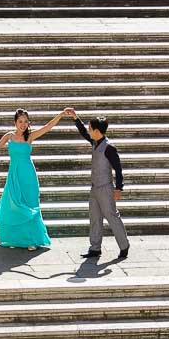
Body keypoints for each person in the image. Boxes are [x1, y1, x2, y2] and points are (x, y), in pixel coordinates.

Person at [0, 108, 69, 250]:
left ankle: (32, 241)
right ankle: (14, 239)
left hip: (28, 176)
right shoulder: (9, 136)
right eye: (20, 121)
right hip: (14, 175)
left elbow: (48, 127)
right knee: (13, 204)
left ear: (29, 123)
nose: (23, 124)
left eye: (26, 122)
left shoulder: (30, 136)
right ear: (15, 122)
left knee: (30, 204)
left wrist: (61, 115)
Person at [65, 108, 129, 260]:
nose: (88, 131)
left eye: (90, 128)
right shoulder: (95, 142)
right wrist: (75, 118)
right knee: (94, 217)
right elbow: (84, 133)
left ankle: (124, 246)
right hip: (94, 188)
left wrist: (119, 188)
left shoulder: (109, 148)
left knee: (112, 216)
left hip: (106, 187)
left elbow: (118, 169)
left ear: (96, 130)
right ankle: (95, 248)